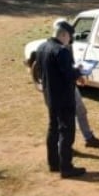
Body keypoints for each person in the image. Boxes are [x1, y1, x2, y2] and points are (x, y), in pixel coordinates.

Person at [36, 20, 86, 178]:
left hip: (50, 96)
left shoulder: (41, 47)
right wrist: (79, 71)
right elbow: (69, 75)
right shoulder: (62, 51)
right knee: (66, 131)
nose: (69, 40)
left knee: (53, 129)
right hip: (64, 97)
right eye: (69, 37)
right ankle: (66, 167)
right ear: (63, 34)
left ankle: (53, 163)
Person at [52, 18, 99, 149]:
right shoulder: (55, 48)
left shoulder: (68, 44)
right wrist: (76, 73)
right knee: (64, 117)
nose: (69, 36)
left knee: (81, 111)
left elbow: (70, 64)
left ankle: (88, 138)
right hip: (61, 88)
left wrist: (78, 74)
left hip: (70, 84)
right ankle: (64, 146)